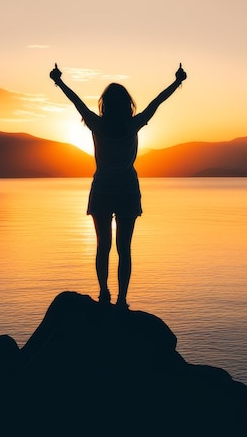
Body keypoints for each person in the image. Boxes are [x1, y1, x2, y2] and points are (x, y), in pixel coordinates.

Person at [50, 63, 187, 308]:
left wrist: (59, 81)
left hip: (102, 189)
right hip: (127, 191)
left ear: (105, 104)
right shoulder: (133, 124)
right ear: (127, 104)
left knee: (103, 246)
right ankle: (122, 299)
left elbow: (76, 101)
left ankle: (104, 294)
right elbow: (157, 101)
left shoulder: (97, 124)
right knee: (124, 248)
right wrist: (177, 82)